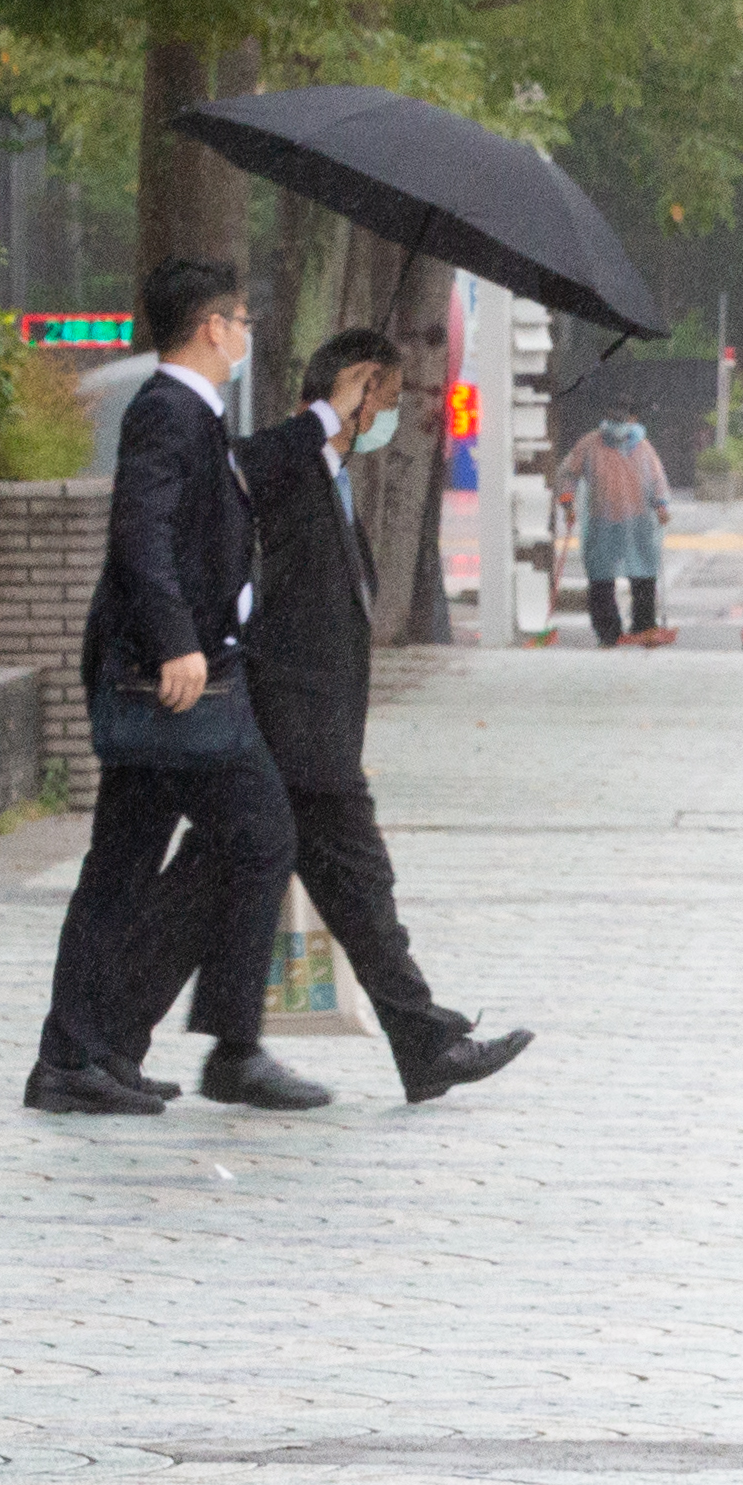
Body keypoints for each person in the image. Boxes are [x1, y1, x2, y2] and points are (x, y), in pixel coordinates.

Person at [121, 328, 535, 1105]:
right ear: (359, 387)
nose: (396, 416)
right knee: (338, 888)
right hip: (293, 732)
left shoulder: (333, 477)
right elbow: (238, 466)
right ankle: (409, 1044)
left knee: (228, 887)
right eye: (391, 396)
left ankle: (121, 1041)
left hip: (312, 735)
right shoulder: (286, 469)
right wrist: (324, 415)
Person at [26, 257, 320, 1116]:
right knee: (262, 835)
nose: (246, 334)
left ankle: (82, 1053)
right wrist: (175, 644)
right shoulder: (167, 410)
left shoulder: (193, 413)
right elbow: (141, 534)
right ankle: (229, 1047)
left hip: (176, 681)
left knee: (118, 866)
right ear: (210, 327)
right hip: (177, 684)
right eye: (241, 320)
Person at [561, 412, 675, 646]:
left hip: (637, 521)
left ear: (632, 419)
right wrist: (567, 502)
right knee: (601, 575)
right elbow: (568, 474)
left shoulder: (641, 446)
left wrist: (661, 505)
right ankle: (609, 630)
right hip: (602, 521)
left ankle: (643, 626)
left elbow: (656, 480)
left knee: (642, 572)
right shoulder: (591, 444)